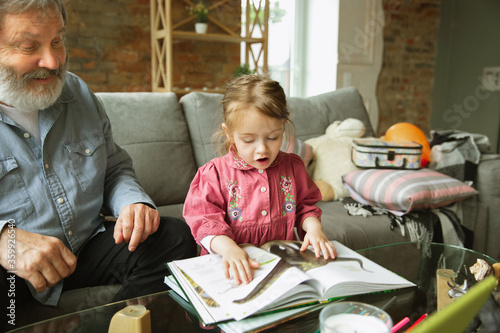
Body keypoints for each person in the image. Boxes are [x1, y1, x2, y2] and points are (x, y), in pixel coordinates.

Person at [0, 0, 196, 329]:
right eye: (29, 45)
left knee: (174, 236)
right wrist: (8, 241)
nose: (51, 61)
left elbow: (114, 167)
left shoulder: (77, 91)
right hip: (11, 272)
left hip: (85, 246)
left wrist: (132, 201)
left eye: (57, 41)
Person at [183, 74, 337, 286]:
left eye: (273, 137)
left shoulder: (293, 167)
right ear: (229, 134)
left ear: (284, 127)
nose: (262, 149)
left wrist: (313, 229)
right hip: (230, 270)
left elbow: (305, 207)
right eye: (248, 140)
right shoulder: (214, 174)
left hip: (279, 267)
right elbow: (204, 222)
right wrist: (228, 248)